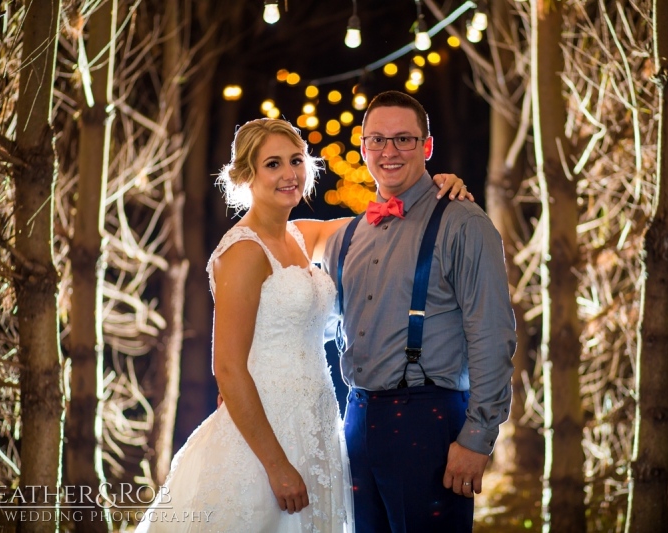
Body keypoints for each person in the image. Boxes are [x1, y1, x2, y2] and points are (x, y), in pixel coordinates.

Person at [136, 117, 472, 533]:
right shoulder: (243, 252)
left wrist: (434, 188)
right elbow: (227, 367)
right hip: (266, 435)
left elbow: (385, 221)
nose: (289, 174)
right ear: (246, 175)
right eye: (272, 164)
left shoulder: (300, 236)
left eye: (295, 160)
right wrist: (276, 466)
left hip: (316, 423)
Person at [322, 91, 517, 533]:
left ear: (427, 146)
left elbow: (492, 334)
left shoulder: (463, 222)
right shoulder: (344, 237)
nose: (389, 152)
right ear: (363, 146)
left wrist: (478, 437)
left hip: (428, 424)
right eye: (378, 140)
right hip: (356, 420)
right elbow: (315, 326)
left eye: (404, 139)